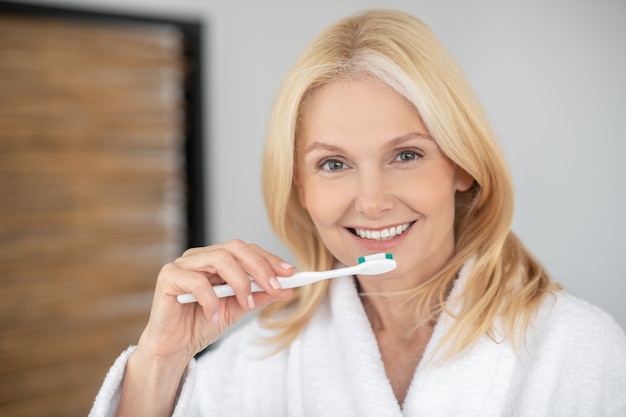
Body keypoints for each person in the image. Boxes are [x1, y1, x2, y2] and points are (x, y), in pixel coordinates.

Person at [89, 9, 626, 417]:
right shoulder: (258, 361)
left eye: (407, 155)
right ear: (298, 186)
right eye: (334, 163)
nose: (371, 201)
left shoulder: (578, 349)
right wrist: (161, 358)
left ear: (462, 165)